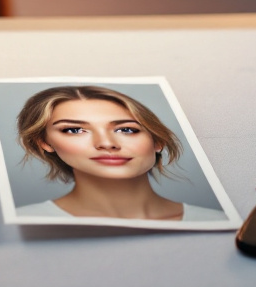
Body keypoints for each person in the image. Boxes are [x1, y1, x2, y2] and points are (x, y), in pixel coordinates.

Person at [14, 85, 226, 221]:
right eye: (74, 130)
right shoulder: (27, 220)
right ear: (44, 142)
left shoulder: (214, 220)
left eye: (126, 129)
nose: (107, 143)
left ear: (157, 141)